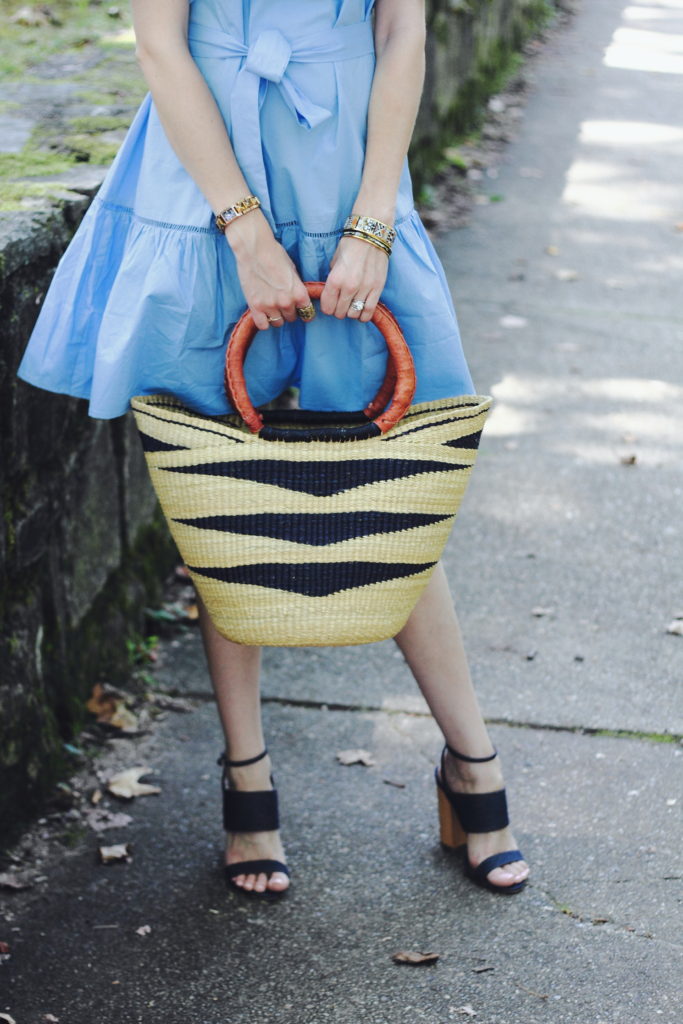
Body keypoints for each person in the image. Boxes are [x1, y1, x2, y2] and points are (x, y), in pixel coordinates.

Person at [17, 0, 529, 897]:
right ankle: (247, 775)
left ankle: (471, 760)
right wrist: (244, 230)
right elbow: (157, 39)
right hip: (207, 168)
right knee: (223, 483)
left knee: (393, 472)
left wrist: (373, 221)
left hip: (348, 171)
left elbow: (401, 27)